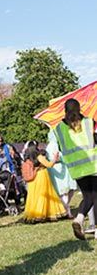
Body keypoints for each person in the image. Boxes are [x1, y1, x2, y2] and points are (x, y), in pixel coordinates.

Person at [52, 99, 97, 240]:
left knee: (88, 196)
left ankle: (79, 219)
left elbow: (60, 148)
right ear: (79, 108)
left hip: (76, 169)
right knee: (96, 196)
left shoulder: (58, 129)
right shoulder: (89, 122)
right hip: (93, 165)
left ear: (65, 110)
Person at [23, 141, 67, 222]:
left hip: (33, 180)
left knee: (35, 196)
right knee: (45, 195)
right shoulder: (39, 156)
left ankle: (35, 214)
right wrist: (55, 159)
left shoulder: (27, 158)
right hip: (41, 176)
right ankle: (43, 214)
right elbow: (49, 165)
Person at [46, 129, 77, 219]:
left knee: (63, 192)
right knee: (65, 192)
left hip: (55, 169)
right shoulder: (55, 145)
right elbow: (59, 157)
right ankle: (67, 211)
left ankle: (65, 209)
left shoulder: (49, 146)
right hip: (59, 170)